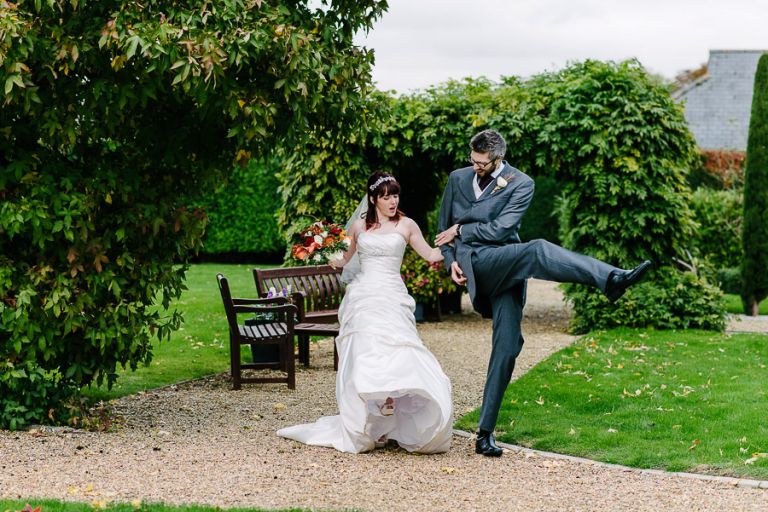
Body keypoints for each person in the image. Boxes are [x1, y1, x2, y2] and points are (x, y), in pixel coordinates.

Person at [435, 129, 651, 457]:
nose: (475, 167)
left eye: (482, 164)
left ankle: (485, 433)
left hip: (507, 264)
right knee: (536, 250)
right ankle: (610, 278)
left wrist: (462, 228)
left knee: (508, 346)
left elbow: (501, 229)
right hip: (476, 261)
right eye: (473, 161)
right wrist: (451, 260)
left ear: (498, 158)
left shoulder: (522, 183)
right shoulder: (457, 178)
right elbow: (443, 230)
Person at [277, 172, 453, 454]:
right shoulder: (358, 227)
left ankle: (390, 402)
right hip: (364, 296)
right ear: (373, 199)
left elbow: (431, 255)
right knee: (366, 350)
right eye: (386, 197)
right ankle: (373, 418)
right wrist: (321, 248)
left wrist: (454, 239)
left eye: (395, 195)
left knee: (399, 348)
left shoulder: (407, 225)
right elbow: (343, 261)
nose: (393, 201)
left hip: (392, 295)